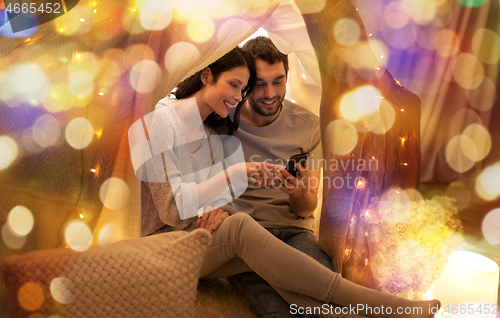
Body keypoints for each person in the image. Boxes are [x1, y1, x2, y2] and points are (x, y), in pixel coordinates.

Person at [138, 47, 440, 318]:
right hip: (166, 249)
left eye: (241, 88)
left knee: (291, 282)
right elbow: (169, 208)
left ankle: (372, 313)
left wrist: (221, 206)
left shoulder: (209, 130)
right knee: (243, 228)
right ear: (206, 76)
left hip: (203, 238)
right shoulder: (161, 121)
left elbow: (208, 196)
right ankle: (386, 307)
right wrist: (236, 174)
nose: (237, 96)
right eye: (237, 85)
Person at [228, 36, 329, 317]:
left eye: (278, 81)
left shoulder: (308, 126)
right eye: (259, 83)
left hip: (295, 232)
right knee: (277, 310)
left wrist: (296, 191)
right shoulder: (222, 121)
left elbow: (307, 208)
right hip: (245, 237)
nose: (270, 93)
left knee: (322, 299)